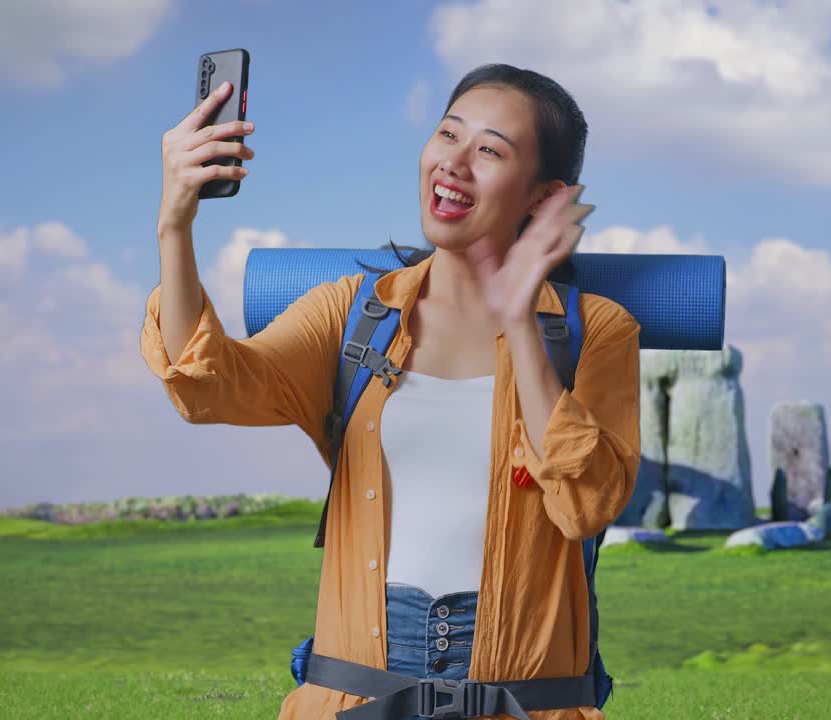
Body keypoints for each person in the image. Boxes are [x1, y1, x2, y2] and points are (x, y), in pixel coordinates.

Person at [141, 63, 641, 719]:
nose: (453, 164)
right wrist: (174, 227)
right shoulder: (351, 315)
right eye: (447, 135)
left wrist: (521, 318)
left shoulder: (595, 331)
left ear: (543, 200)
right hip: (352, 698)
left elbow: (586, 505)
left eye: (489, 150)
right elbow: (208, 387)